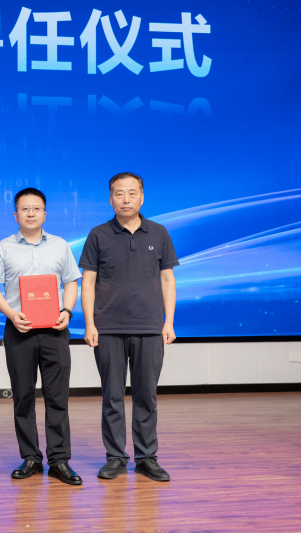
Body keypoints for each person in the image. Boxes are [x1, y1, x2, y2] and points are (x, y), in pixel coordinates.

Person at [79, 172, 178, 482]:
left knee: (146, 396)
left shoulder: (159, 232)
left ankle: (147, 458)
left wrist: (168, 322)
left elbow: (167, 279)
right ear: (110, 199)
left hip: (150, 326)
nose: (126, 199)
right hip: (108, 327)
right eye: (119, 193)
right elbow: (88, 283)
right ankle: (115, 458)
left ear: (142, 197)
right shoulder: (98, 234)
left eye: (132, 193)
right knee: (112, 397)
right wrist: (90, 324)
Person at [0, 187, 83, 485]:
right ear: (15, 214)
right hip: (19, 330)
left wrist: (67, 310)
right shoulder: (3, 247)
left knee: (57, 397)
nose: (30, 213)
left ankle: (59, 459)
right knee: (23, 397)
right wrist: (11, 314)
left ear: (45, 213)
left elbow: (71, 282)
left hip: (55, 330)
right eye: (24, 209)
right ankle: (30, 457)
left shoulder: (60, 245)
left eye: (36, 208)